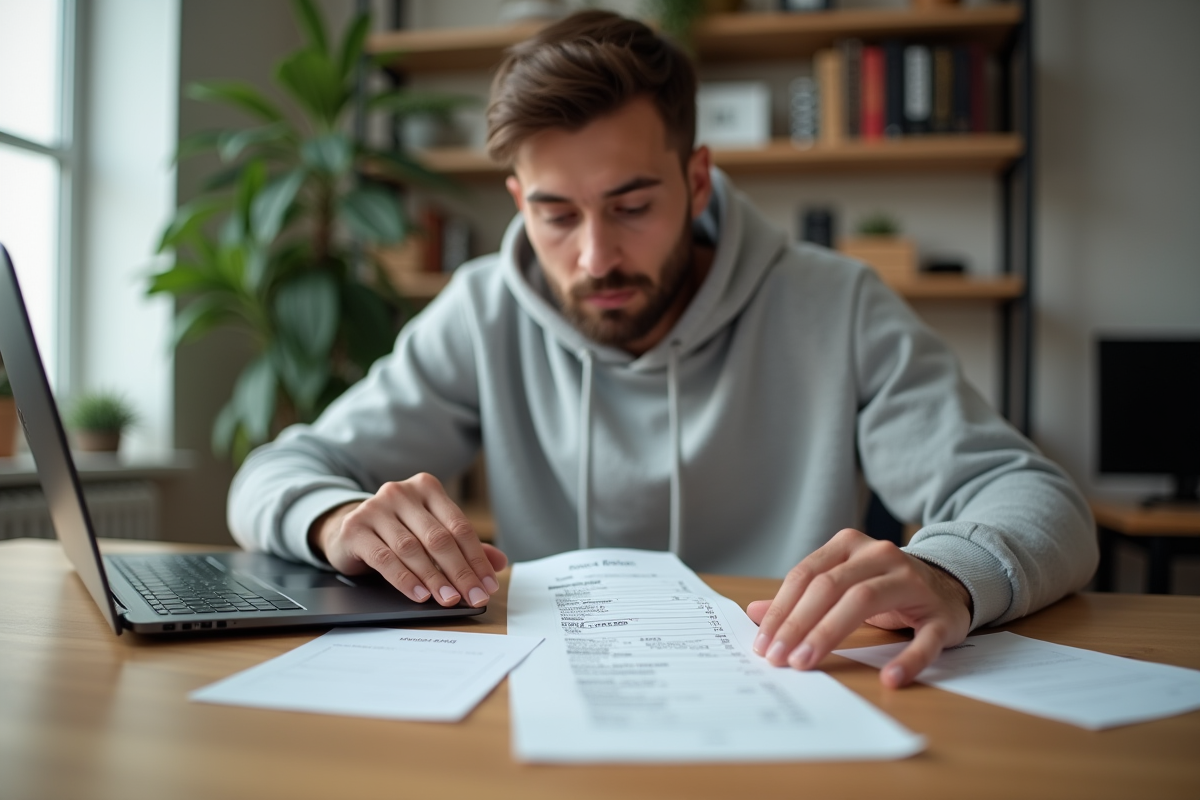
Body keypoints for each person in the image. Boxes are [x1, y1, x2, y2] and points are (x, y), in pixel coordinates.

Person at [228, 11, 1096, 687]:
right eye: (555, 214)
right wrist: (335, 518)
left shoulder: (836, 305)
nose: (595, 255)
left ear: (695, 179)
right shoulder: (483, 309)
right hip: (546, 702)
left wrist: (951, 571)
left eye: (633, 204)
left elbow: (1034, 497)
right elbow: (275, 471)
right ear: (516, 199)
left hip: (790, 688)